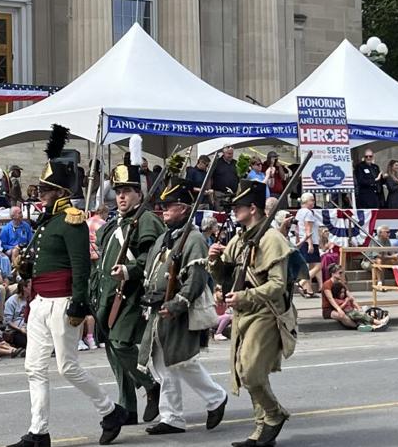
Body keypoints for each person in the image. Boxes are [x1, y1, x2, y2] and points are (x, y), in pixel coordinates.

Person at [7, 125, 127, 447]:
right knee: (34, 367)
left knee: (67, 367)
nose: (40, 196)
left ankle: (109, 410)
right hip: (41, 302)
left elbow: (80, 265)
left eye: (45, 191)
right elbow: (39, 260)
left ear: (59, 193)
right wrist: (25, 266)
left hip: (62, 302)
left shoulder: (72, 220)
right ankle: (38, 432)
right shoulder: (46, 223)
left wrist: (79, 302)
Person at [136, 175, 228, 436]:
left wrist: (177, 305)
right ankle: (172, 417)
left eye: (170, 206)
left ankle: (216, 398)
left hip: (178, 311)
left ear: (184, 209)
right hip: (157, 309)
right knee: (164, 365)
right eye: (163, 206)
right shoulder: (165, 238)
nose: (164, 210)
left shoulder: (194, 239)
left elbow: (197, 279)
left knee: (182, 362)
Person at [207, 180, 295, 447]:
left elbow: (278, 285)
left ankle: (274, 414)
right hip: (244, 312)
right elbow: (228, 275)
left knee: (251, 372)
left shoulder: (271, 238)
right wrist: (214, 263)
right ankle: (261, 429)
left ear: (253, 208)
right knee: (245, 369)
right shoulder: (240, 239)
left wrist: (244, 296)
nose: (235, 211)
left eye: (239, 206)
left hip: (266, 313)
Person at [93, 156, 163, 427]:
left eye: (127, 192)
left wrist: (130, 270)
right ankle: (127, 407)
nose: (121, 197)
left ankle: (151, 385)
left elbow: (153, 256)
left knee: (122, 345)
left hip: (133, 293)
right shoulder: (114, 223)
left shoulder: (145, 220)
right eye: (118, 192)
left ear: (139, 194)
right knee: (113, 349)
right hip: (109, 296)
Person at [324, 264, 387, 331]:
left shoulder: (341, 284)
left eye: (342, 272)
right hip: (330, 309)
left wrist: (358, 307)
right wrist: (339, 309)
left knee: (356, 313)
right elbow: (331, 299)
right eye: (340, 273)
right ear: (333, 273)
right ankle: (359, 326)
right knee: (342, 316)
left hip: (344, 307)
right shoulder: (327, 284)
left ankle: (367, 325)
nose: (341, 274)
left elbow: (350, 297)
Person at [293, 192, 322, 297]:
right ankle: (302, 282)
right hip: (310, 241)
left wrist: (298, 240)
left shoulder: (299, 212)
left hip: (302, 240)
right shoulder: (308, 213)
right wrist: (310, 244)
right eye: (312, 200)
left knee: (309, 266)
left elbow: (297, 229)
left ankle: (308, 290)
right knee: (318, 266)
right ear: (306, 201)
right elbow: (308, 228)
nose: (313, 202)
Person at [210, 146, 240, 211]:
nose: (231, 155)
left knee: (233, 214)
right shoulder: (216, 163)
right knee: (221, 214)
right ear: (223, 153)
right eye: (228, 153)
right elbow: (210, 178)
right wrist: (210, 193)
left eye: (232, 153)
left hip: (233, 194)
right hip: (219, 194)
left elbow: (239, 177)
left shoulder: (236, 163)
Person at [3, 282, 29, 349]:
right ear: (24, 288)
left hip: (31, 327)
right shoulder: (11, 301)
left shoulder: (33, 299)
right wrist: (21, 329)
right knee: (25, 341)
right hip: (16, 330)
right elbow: (8, 321)